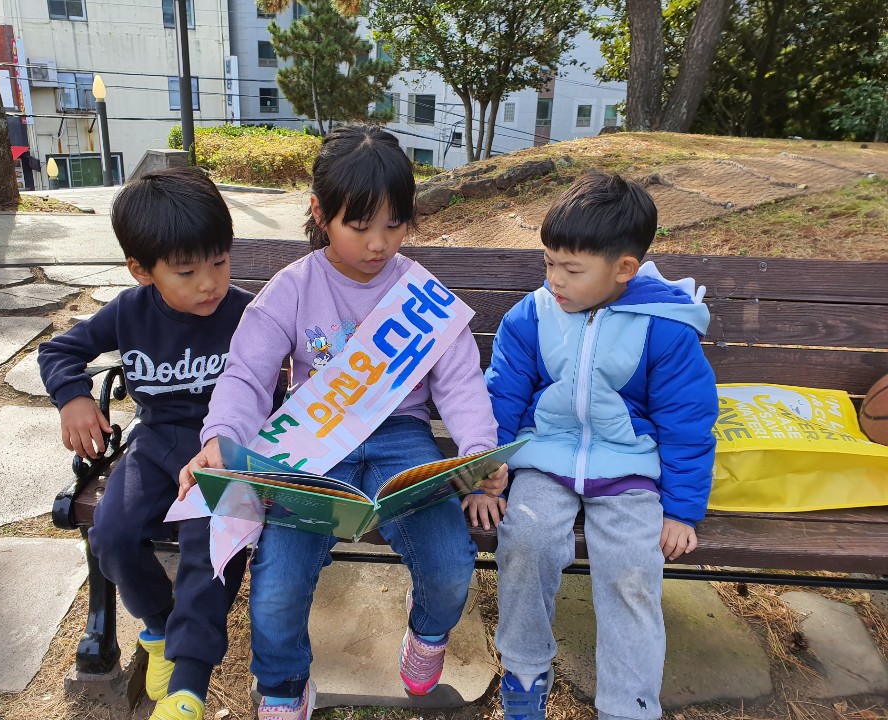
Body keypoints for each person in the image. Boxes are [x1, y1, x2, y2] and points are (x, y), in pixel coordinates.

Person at [177, 124, 506, 720]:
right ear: (320, 213)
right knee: (277, 582)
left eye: (395, 225)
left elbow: (460, 381)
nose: (379, 244)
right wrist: (221, 437)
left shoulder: (420, 295)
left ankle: (428, 633)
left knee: (450, 563)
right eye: (359, 225)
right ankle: (283, 686)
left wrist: (479, 450)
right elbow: (247, 375)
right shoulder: (292, 288)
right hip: (316, 442)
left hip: (402, 438)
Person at [476, 172, 719, 720]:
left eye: (572, 269)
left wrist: (681, 510)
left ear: (624, 269)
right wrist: (487, 473)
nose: (554, 279)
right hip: (544, 461)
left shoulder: (665, 329)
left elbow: (687, 422)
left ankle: (628, 703)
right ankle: (525, 669)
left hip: (628, 469)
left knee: (632, 569)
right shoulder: (532, 315)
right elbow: (502, 396)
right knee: (527, 541)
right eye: (548, 263)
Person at [38, 168, 254, 717]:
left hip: (222, 453)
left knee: (209, 544)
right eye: (187, 271)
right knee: (111, 535)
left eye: (220, 262)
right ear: (142, 271)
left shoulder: (248, 313)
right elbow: (58, 351)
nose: (209, 283)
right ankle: (158, 627)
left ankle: (188, 683)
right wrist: (73, 397)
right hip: (155, 445)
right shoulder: (130, 312)